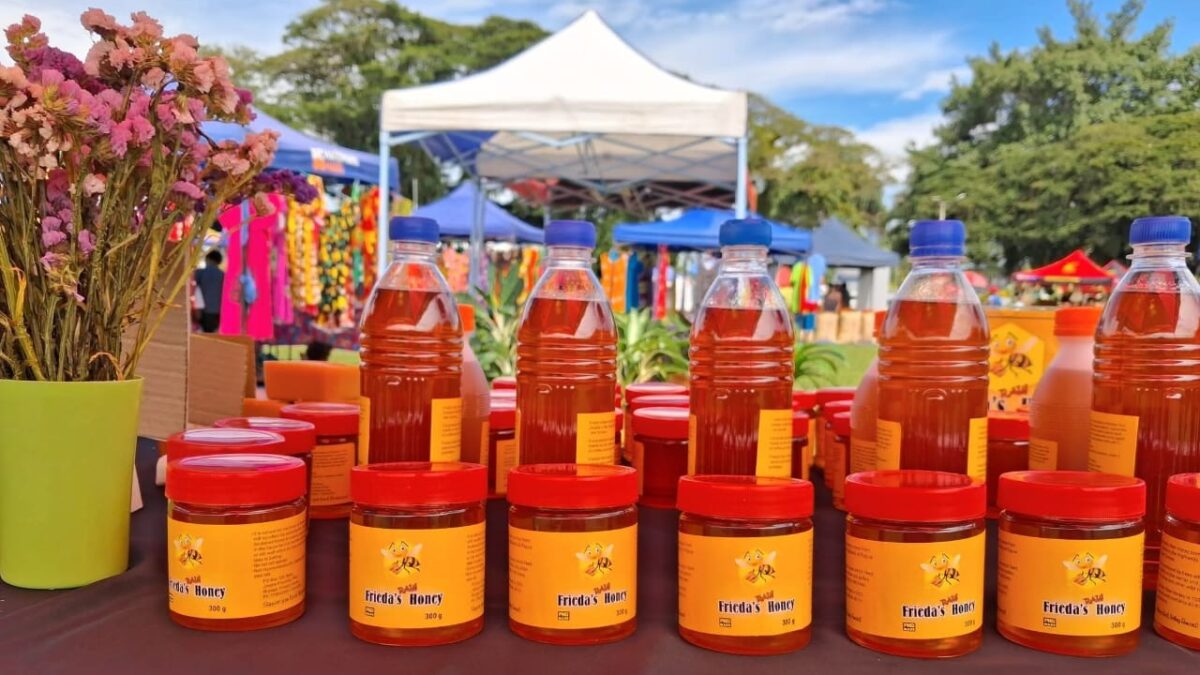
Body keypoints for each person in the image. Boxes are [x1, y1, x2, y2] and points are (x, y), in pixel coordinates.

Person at [193, 249, 224, 333]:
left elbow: (194, 289)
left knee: (203, 333)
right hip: (218, 310)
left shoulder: (199, 273)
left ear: (207, 259)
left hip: (202, 310)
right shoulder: (223, 275)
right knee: (213, 333)